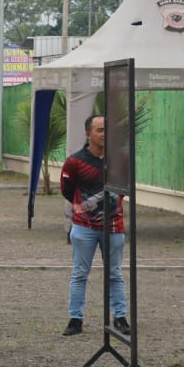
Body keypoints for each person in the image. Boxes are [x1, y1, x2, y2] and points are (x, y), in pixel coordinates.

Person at [60, 115, 128, 336]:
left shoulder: (120, 160)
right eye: (100, 130)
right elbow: (67, 189)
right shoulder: (75, 161)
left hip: (114, 227)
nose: (105, 134)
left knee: (115, 273)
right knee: (80, 273)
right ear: (89, 133)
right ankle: (75, 319)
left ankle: (120, 317)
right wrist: (83, 208)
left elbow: (124, 189)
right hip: (84, 227)